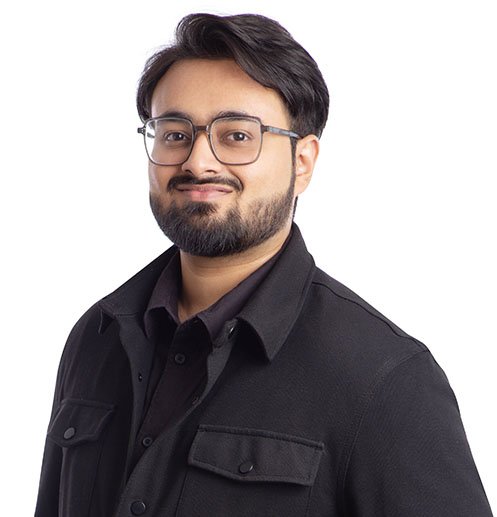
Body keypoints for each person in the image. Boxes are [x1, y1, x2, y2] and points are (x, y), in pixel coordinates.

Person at [35, 12, 493, 517]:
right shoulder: (96, 338)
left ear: (303, 161)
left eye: (237, 135)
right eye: (174, 133)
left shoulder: (384, 379)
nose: (197, 162)